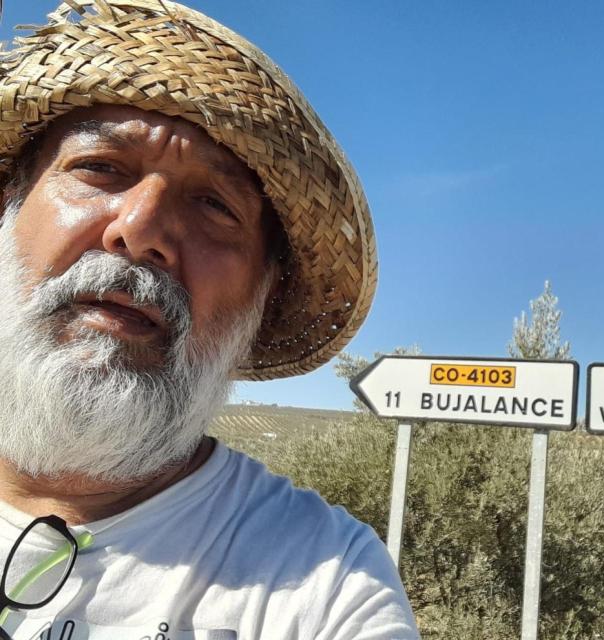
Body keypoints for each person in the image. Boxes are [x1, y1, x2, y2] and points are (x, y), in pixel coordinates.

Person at [0, 1, 418, 638]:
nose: (140, 232)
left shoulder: (323, 583)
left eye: (214, 206)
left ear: (263, 296)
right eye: (101, 169)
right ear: (10, 205)